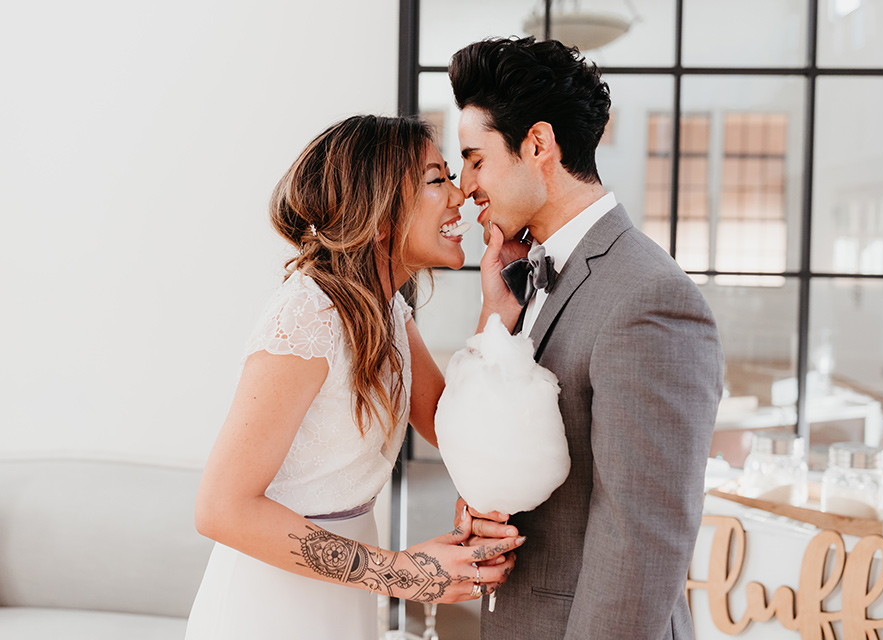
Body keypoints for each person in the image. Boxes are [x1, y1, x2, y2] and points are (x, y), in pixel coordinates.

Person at [185, 115, 524, 640]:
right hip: (268, 608)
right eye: (437, 180)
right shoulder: (307, 315)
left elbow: (448, 425)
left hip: (343, 603)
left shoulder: (386, 309)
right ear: (380, 210)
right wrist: (400, 574)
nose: (460, 195)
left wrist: (495, 310)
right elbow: (221, 509)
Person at [449, 38, 725, 639]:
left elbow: (641, 539)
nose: (467, 186)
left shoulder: (650, 297)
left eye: (476, 159)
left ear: (538, 145)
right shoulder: (526, 274)